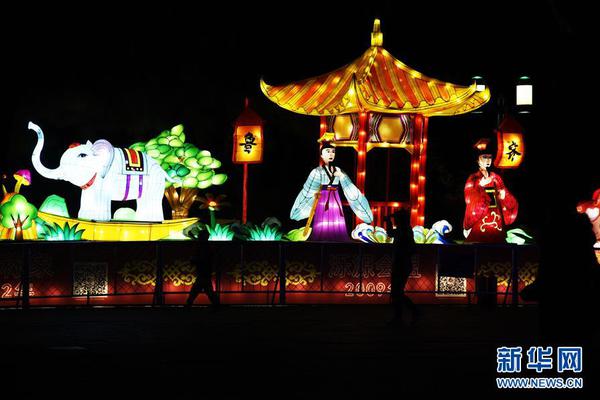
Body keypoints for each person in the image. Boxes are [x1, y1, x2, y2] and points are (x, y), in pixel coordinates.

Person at [290, 136, 373, 241]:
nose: (331, 154)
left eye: (333, 152)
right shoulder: (317, 171)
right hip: (323, 198)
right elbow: (308, 189)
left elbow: (348, 185)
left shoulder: (338, 170)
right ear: (321, 155)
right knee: (323, 219)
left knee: (336, 218)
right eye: (328, 151)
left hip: (335, 197)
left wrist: (341, 176)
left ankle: (337, 236)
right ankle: (322, 236)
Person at [463, 139, 518, 242]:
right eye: (484, 157)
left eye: (489, 157)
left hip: (496, 217)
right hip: (481, 218)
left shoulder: (496, 178)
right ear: (477, 160)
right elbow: (469, 197)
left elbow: (505, 194)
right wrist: (480, 190)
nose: (487, 160)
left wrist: (503, 195)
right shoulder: (473, 178)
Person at [387, 207, 420, 325]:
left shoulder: (403, 230)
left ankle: (405, 314)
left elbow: (390, 234)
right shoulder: (406, 229)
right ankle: (404, 315)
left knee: (397, 292)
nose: (394, 219)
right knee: (397, 292)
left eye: (396, 218)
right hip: (404, 263)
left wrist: (388, 223)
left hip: (401, 263)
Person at [186, 231, 220, 308]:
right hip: (206, 271)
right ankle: (216, 304)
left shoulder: (203, 247)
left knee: (196, 289)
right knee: (207, 289)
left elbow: (201, 258)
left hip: (203, 271)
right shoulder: (207, 246)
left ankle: (189, 304)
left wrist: (194, 260)